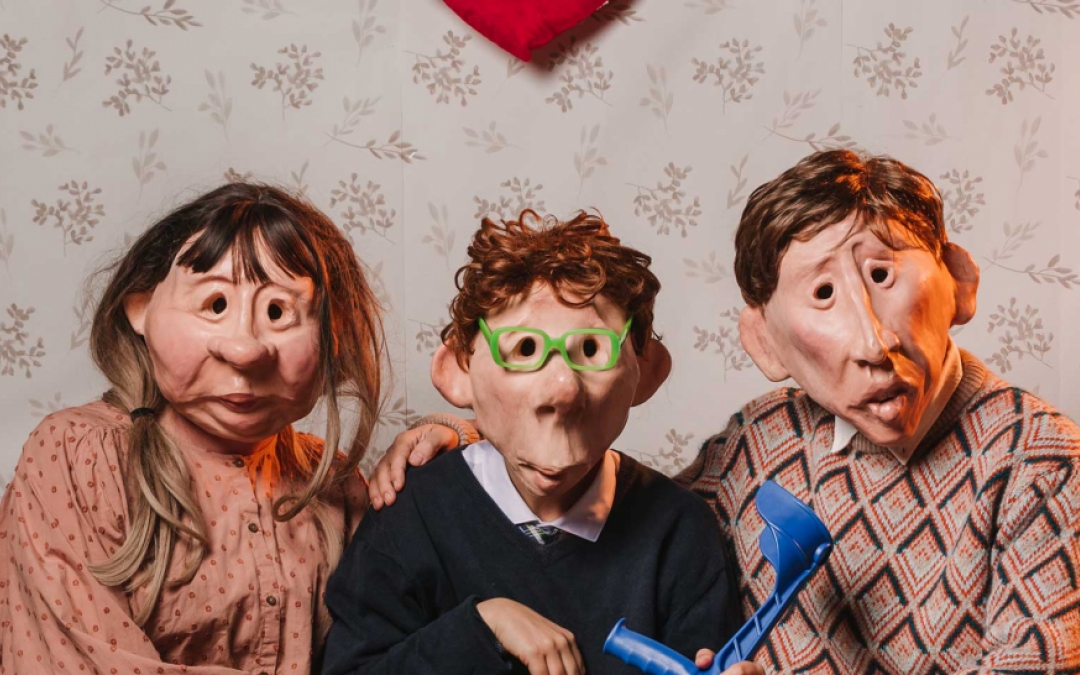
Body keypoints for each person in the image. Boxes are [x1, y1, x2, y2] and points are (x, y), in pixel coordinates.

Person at [370, 150, 1080, 673]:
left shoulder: (1041, 461)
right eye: (824, 294)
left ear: (959, 282)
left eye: (882, 273)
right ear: (765, 342)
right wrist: (471, 435)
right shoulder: (760, 439)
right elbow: (591, 492)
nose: (874, 342)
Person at [322, 210, 751, 675]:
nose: (562, 391)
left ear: (645, 370)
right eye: (525, 349)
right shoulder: (412, 513)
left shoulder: (679, 531)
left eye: (591, 349)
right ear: (459, 370)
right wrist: (482, 628)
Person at [0, 183, 386, 674]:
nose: (244, 350)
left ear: (334, 337)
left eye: (277, 312)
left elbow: (397, 651)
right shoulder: (77, 455)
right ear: (141, 309)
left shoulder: (332, 483)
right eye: (216, 305)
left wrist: (454, 456)